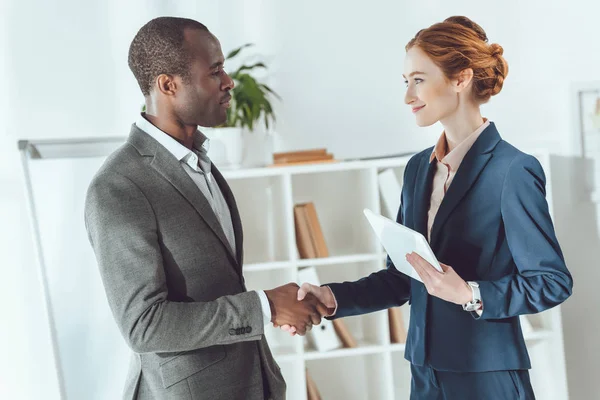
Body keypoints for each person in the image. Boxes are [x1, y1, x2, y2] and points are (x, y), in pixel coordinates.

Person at [285, 16, 573, 400]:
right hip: (424, 369)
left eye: (418, 80)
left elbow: (551, 282)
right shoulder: (419, 168)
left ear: (460, 78)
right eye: (405, 82)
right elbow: (404, 277)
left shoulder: (513, 170)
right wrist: (334, 298)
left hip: (486, 373)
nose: (408, 96)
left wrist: (470, 293)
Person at [84, 17, 327, 400]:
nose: (229, 81)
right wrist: (264, 308)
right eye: (214, 71)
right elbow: (144, 326)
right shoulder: (118, 186)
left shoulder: (200, 163)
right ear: (168, 84)